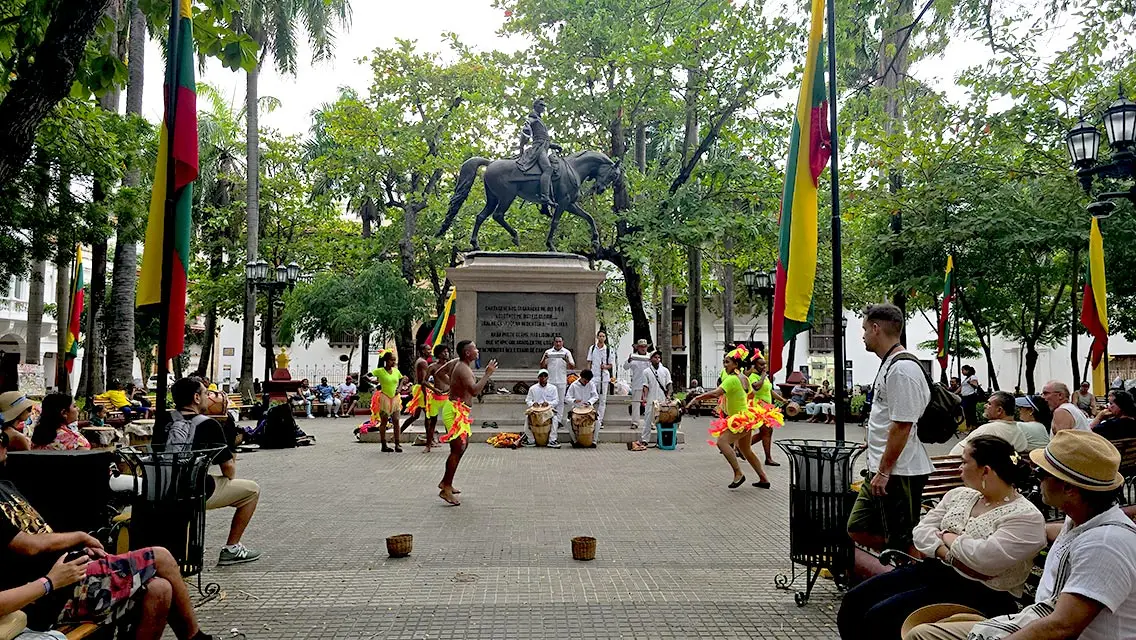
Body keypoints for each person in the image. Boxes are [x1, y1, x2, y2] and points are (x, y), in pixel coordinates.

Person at [904, 430, 1136, 640]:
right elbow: (1045, 532)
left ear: (1069, 489)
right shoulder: (1081, 521)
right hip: (1029, 617)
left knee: (918, 633)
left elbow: (1061, 627)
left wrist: (947, 538)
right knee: (921, 632)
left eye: (1042, 473)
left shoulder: (1104, 546)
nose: (1036, 478)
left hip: (1038, 624)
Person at [0, 434, 218, 639]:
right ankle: (194, 637)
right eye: (1, 440)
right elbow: (27, 545)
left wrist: (79, 550)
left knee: (160, 589)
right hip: (47, 591)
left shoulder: (5, 485)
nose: (6, 445)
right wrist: (79, 537)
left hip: (67, 573)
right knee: (160, 557)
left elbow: (39, 534)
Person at [838, 435, 1046, 640]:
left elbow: (983, 560)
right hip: (934, 573)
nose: (959, 468)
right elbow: (920, 533)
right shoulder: (960, 495)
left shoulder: (1024, 517)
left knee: (881, 617)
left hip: (980, 593)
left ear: (985, 470)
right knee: (854, 601)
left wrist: (945, 535)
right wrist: (948, 552)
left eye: (964, 462)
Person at [847, 303, 934, 553]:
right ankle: (902, 567)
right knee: (858, 527)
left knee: (904, 538)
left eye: (864, 329)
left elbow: (902, 425)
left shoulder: (902, 369)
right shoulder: (890, 363)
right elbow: (888, 418)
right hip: (883, 468)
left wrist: (884, 471)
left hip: (900, 471)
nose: (862, 335)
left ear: (876, 329)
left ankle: (916, 574)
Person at [166, 377, 261, 566]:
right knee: (252, 491)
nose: (208, 397)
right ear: (196, 398)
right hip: (193, 489)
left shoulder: (163, 420)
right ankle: (232, 548)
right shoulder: (209, 425)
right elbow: (229, 472)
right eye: (205, 393)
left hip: (162, 487)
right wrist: (232, 449)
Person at [683, 345, 770, 489]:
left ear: (736, 364)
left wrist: (696, 398)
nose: (725, 364)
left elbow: (716, 393)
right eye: (724, 361)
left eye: (727, 362)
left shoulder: (731, 379)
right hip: (745, 417)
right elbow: (751, 395)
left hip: (739, 419)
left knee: (722, 442)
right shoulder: (743, 378)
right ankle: (763, 479)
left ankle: (738, 473)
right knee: (746, 450)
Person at [437, 341, 497, 505]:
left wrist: (454, 386)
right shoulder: (463, 369)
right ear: (467, 353)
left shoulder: (457, 363)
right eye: (474, 348)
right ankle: (446, 489)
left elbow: (441, 373)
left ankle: (445, 481)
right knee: (457, 448)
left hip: (459, 410)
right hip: (455, 412)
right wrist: (487, 374)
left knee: (461, 447)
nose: (477, 350)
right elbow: (475, 390)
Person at [950, 391, 1029, 455]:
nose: (985, 406)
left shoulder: (987, 429)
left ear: (999, 410)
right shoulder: (1019, 432)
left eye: (989, 404)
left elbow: (955, 454)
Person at [516, 97, 562, 206]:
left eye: (544, 106)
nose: (543, 107)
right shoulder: (533, 118)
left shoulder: (539, 119)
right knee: (548, 169)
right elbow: (526, 131)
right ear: (535, 106)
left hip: (544, 147)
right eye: (541, 105)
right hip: (538, 149)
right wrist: (521, 146)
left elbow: (543, 138)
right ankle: (545, 197)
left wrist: (553, 145)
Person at [747, 351, 786, 466]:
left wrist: (782, 399)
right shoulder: (753, 376)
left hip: (767, 408)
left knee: (767, 431)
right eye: (761, 364)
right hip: (758, 407)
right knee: (766, 431)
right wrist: (764, 376)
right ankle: (767, 458)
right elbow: (757, 387)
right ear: (755, 366)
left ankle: (743, 448)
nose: (764, 366)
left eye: (765, 364)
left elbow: (770, 391)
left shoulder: (765, 378)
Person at [368, 351, 405, 453]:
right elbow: (366, 376)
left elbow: (402, 379)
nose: (393, 362)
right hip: (384, 398)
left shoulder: (396, 371)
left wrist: (399, 388)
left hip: (395, 398)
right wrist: (373, 381)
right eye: (391, 360)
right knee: (384, 422)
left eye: (394, 360)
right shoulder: (379, 371)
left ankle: (397, 443)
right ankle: (383, 444)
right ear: (386, 361)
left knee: (396, 420)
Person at [636, 351, 673, 451]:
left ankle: (663, 439)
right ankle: (645, 440)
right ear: (651, 359)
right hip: (651, 400)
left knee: (663, 421)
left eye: (658, 357)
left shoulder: (665, 370)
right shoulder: (646, 372)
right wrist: (645, 397)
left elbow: (669, 384)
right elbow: (645, 386)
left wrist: (668, 396)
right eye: (655, 357)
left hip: (662, 400)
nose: (657, 359)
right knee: (647, 420)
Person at [399, 344, 435, 441]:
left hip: (418, 389)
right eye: (428, 349)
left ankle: (397, 434)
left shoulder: (420, 361)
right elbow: (423, 381)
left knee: (415, 416)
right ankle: (429, 440)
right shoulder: (423, 362)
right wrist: (426, 395)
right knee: (428, 416)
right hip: (421, 390)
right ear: (423, 351)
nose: (430, 351)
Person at [522, 369, 562, 448]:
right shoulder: (532, 388)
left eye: (545, 376)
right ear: (538, 378)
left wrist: (548, 404)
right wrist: (533, 404)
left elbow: (556, 400)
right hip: (535, 410)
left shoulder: (553, 388)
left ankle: (552, 440)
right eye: (541, 376)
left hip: (548, 410)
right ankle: (531, 440)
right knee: (527, 418)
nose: (543, 378)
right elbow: (528, 400)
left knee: (555, 418)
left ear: (547, 377)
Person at [565, 368, 600, 447]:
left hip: (588, 408)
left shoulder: (591, 384)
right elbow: (567, 398)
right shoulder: (573, 385)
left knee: (598, 422)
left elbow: (595, 396)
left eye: (588, 381)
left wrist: (589, 402)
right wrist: (574, 401)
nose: (586, 382)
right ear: (581, 377)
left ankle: (594, 441)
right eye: (585, 380)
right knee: (568, 422)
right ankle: (575, 441)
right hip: (577, 409)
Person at [586, 330, 613, 430]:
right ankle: (590, 418)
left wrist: (605, 366)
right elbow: (589, 362)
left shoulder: (608, 350)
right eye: (600, 336)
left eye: (603, 336)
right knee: (591, 398)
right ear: (597, 337)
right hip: (593, 377)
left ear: (605, 338)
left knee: (602, 400)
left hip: (604, 378)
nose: (601, 338)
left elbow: (610, 365)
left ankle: (599, 420)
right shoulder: (592, 348)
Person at [539, 336, 574, 407]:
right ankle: (551, 418)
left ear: (562, 342)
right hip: (550, 381)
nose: (558, 343)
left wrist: (566, 360)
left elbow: (572, 367)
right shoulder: (548, 352)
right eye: (556, 342)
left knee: (560, 402)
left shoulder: (567, 352)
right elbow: (542, 366)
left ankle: (559, 418)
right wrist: (545, 358)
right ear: (554, 342)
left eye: (560, 342)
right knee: (549, 401)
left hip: (561, 381)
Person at [624, 339, 652, 423]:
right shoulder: (633, 357)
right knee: (635, 403)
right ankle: (635, 422)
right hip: (637, 383)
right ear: (638, 348)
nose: (643, 348)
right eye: (641, 347)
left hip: (648, 384)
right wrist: (629, 360)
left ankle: (651, 422)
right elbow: (625, 367)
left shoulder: (650, 356)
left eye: (645, 347)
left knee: (650, 403)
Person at [959, 365, 982, 430]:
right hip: (964, 397)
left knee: (971, 412)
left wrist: (970, 383)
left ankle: (973, 426)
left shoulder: (973, 377)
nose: (962, 372)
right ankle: (969, 427)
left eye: (963, 370)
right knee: (966, 412)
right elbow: (961, 388)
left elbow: (976, 385)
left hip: (970, 396)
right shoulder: (966, 379)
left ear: (967, 370)